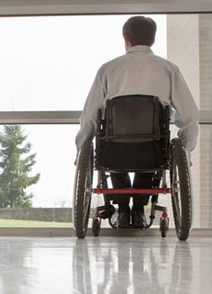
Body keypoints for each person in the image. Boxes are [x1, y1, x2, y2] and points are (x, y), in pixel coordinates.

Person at [75, 16, 199, 229]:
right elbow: (190, 115)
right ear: (153, 39)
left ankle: (123, 210)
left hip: (114, 150)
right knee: (153, 141)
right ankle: (139, 209)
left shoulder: (108, 69)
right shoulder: (168, 69)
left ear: (126, 39)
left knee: (114, 142)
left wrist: (81, 149)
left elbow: (89, 116)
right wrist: (186, 149)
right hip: (153, 150)